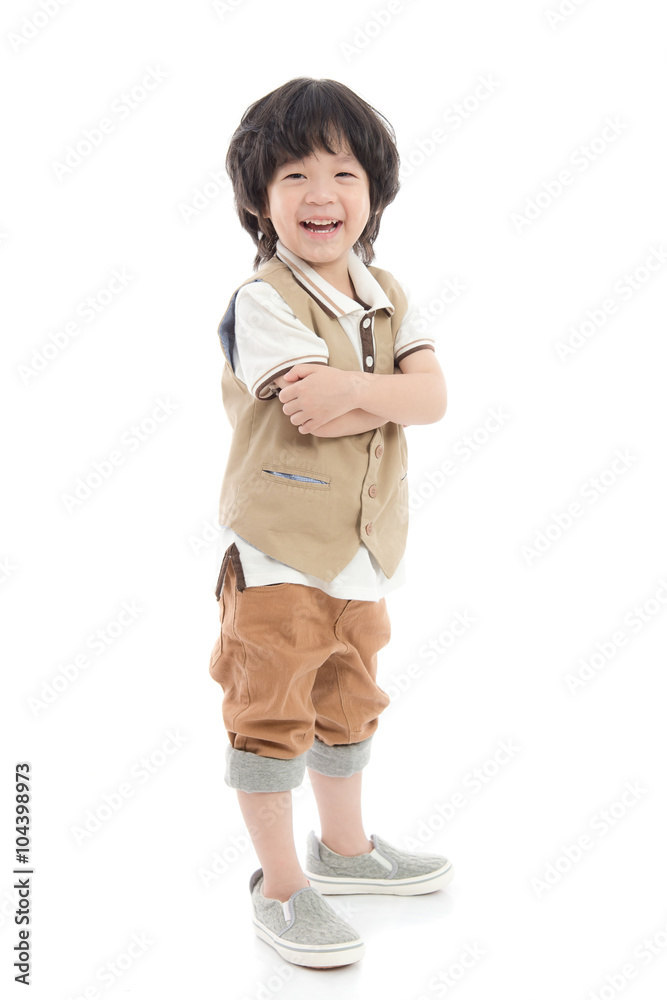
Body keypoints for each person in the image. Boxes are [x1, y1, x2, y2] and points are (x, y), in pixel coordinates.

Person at [208, 77, 453, 969]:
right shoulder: (264, 299)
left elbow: (433, 399)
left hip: (362, 549)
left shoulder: (386, 290)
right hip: (279, 551)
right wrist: (382, 393)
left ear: (374, 192)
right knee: (270, 711)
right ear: (259, 200)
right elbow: (310, 410)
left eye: (344, 173)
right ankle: (280, 888)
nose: (322, 195)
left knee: (349, 700)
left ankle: (343, 851)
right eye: (295, 175)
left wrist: (358, 389)